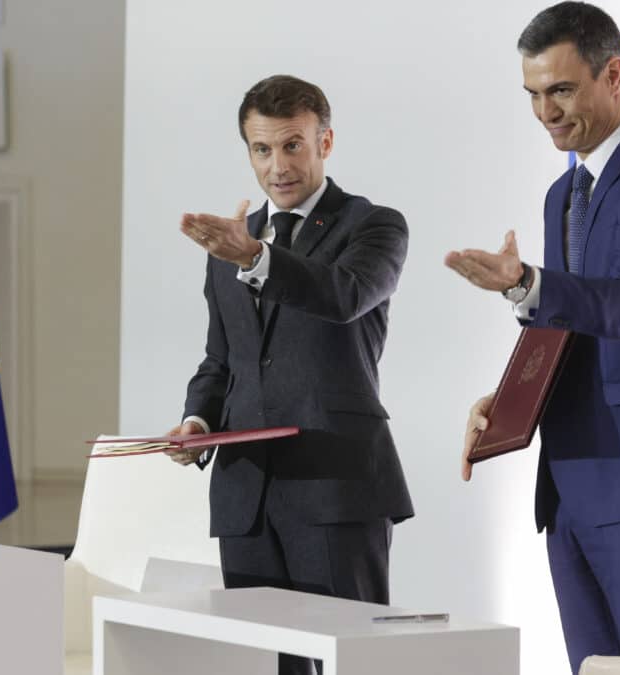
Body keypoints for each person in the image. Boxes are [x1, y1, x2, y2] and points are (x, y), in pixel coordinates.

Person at [444, 3, 620, 674]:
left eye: (561, 89)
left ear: (614, 74)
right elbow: (566, 332)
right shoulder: (560, 195)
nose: (545, 111)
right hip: (568, 488)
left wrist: (525, 283)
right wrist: (508, 402)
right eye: (534, 94)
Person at [168, 74, 414, 675]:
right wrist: (197, 419)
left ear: (325, 142)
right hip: (246, 493)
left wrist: (257, 259)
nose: (277, 165)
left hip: (336, 488)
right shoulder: (231, 244)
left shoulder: (373, 225)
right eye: (261, 149)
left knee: (352, 661)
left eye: (292, 145)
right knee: (263, 665)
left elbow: (344, 296)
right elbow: (221, 359)